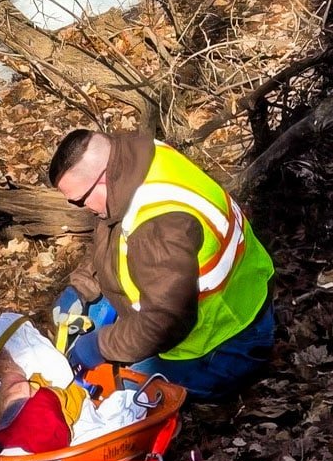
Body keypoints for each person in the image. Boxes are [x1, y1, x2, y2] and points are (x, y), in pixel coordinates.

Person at [45, 129, 276, 402]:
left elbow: (164, 322)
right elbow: (114, 233)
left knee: (118, 394)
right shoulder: (137, 158)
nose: (81, 208)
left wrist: (100, 345)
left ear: (103, 178)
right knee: (82, 322)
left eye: (79, 200)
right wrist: (82, 286)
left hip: (227, 340)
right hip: (200, 293)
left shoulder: (159, 225)